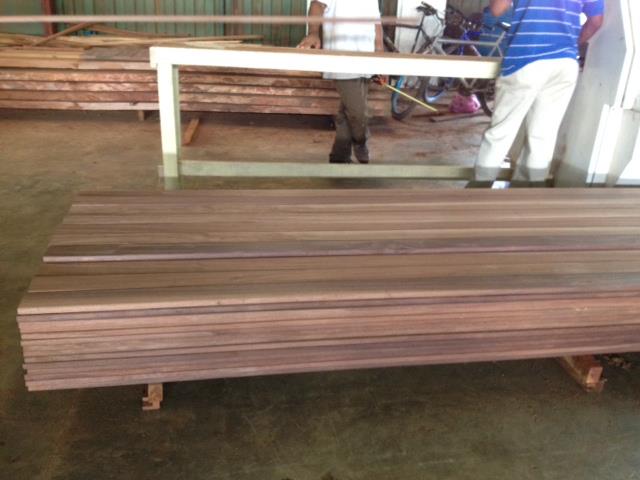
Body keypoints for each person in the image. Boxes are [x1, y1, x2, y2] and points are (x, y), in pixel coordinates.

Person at [474, 0, 604, 186]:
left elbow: (497, 9)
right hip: (565, 63)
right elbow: (596, 21)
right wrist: (570, 44)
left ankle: (478, 189)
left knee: (501, 132)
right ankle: (528, 193)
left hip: (526, 57)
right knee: (543, 135)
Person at [298, 0, 385, 164]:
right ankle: (360, 140)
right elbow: (317, 5)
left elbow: (376, 24)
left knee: (347, 112)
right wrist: (313, 33)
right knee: (359, 112)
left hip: (367, 60)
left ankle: (339, 157)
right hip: (342, 60)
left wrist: (380, 56)